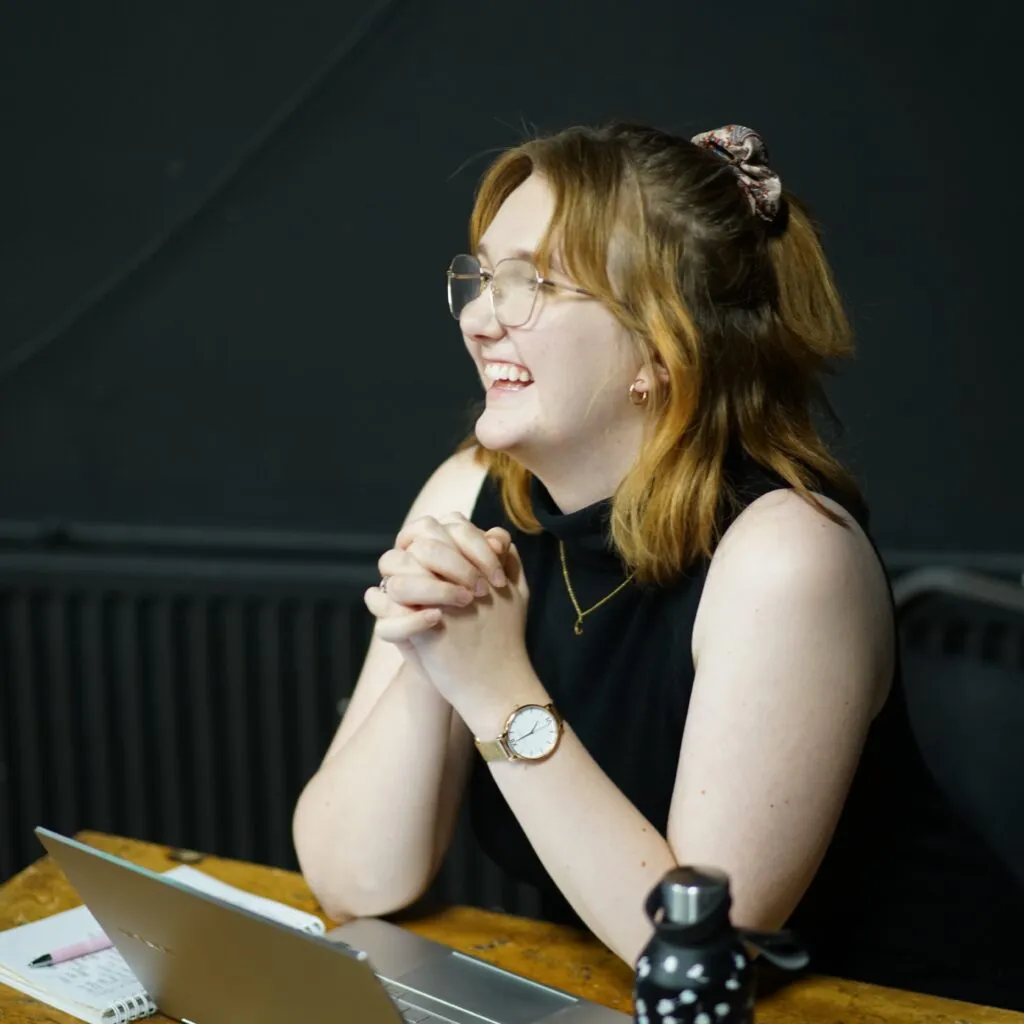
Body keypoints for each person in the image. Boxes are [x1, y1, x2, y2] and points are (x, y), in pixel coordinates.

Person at [293, 122, 1024, 1008]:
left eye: (531, 283)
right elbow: (355, 883)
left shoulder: (789, 557)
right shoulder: (469, 490)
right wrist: (434, 652)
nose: (481, 318)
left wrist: (494, 692)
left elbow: (705, 951)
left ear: (657, 347)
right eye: (483, 276)